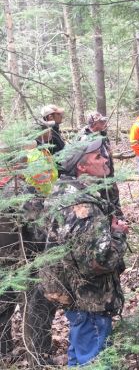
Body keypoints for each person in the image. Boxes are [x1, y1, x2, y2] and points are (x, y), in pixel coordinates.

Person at [37, 138, 128, 366]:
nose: (105, 159)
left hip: (71, 293)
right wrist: (118, 234)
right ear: (82, 167)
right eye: (98, 157)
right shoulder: (82, 207)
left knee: (79, 353)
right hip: (89, 299)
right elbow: (99, 261)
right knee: (94, 358)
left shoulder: (61, 191)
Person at [0, 140, 55, 365]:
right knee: (35, 303)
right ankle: (38, 354)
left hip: (5, 257)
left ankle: (4, 352)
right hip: (23, 257)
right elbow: (37, 226)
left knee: (3, 303)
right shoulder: (19, 189)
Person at [79, 112, 123, 218]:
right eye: (101, 121)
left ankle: (118, 218)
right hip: (95, 176)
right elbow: (84, 159)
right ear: (94, 123)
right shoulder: (85, 138)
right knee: (100, 199)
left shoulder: (103, 134)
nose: (104, 123)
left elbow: (107, 151)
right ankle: (105, 221)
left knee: (113, 195)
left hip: (108, 173)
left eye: (104, 120)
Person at [26, 124, 59, 195]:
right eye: (47, 129)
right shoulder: (35, 154)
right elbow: (41, 179)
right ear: (41, 133)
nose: (51, 131)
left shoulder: (43, 149)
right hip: (41, 194)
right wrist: (50, 193)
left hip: (47, 191)